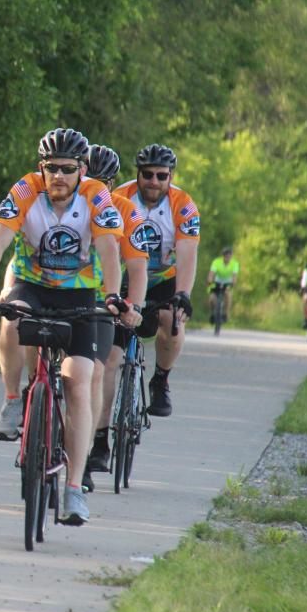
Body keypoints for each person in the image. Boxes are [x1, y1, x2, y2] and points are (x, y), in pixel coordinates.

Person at [0, 128, 133, 526]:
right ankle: (13, 400)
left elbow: (108, 249)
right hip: (31, 284)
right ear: (41, 167)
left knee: (78, 379)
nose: (58, 175)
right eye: (51, 168)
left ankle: (74, 490)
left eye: (67, 169)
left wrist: (111, 295)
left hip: (80, 294)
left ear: (82, 170)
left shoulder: (96, 195)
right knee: (10, 312)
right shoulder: (24, 190)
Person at [113, 144, 200, 418]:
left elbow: (187, 255)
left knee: (173, 321)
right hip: (125, 272)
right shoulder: (119, 197)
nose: (154, 181)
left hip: (163, 276)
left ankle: (160, 379)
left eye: (161, 175)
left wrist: (183, 294)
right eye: (147, 174)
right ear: (137, 174)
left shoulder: (183, 205)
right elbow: (108, 249)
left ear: (170, 176)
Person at [84, 145, 147, 479]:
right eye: (88, 178)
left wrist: (132, 307)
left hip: (113, 295)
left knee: (109, 361)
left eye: (102, 181)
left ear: (111, 184)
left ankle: (98, 437)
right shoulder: (67, 204)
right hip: (72, 292)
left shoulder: (126, 210)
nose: (94, 187)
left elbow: (137, 269)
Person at [207, 247, 239, 323]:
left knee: (228, 294)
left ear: (231, 256)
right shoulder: (216, 262)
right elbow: (211, 273)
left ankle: (226, 313)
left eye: (229, 256)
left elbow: (234, 276)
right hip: (217, 280)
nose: (227, 258)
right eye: (226, 256)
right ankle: (213, 312)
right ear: (223, 256)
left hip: (228, 281)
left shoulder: (235, 264)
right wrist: (210, 280)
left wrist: (233, 283)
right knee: (211, 299)